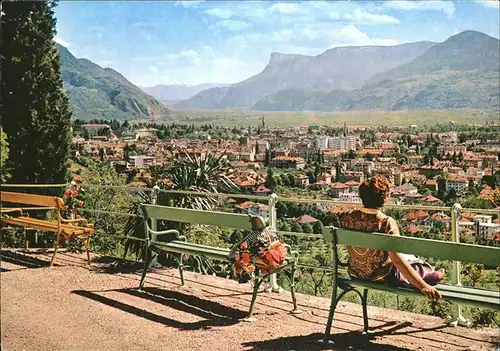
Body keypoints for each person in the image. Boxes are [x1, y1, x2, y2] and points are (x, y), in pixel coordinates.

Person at [339, 175, 445, 301]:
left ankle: (434, 272)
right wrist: (423, 286)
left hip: (355, 274)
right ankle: (436, 275)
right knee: (416, 266)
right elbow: (397, 260)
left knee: (408, 258)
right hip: (382, 277)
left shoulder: (346, 217)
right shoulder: (386, 222)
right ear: (385, 198)